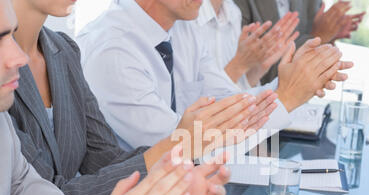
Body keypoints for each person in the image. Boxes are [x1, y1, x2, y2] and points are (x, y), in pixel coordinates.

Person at [1, 0, 255, 195]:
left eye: (11, 36)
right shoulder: (111, 45)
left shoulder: (61, 53)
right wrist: (175, 148)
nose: (18, 56)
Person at [77, 0, 352, 153]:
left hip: (184, 193)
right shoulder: (113, 52)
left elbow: (231, 103)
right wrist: (286, 96)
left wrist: (290, 83)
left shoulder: (184, 29)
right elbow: (182, 149)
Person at [234, 0, 365, 84]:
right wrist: (318, 36)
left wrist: (330, 35)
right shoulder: (235, 5)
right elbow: (251, 78)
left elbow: (316, 53)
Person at [196, 0, 300, 90]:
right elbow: (194, 104)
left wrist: (256, 70)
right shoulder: (187, 16)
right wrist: (239, 65)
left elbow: (233, 89)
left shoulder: (232, 11)